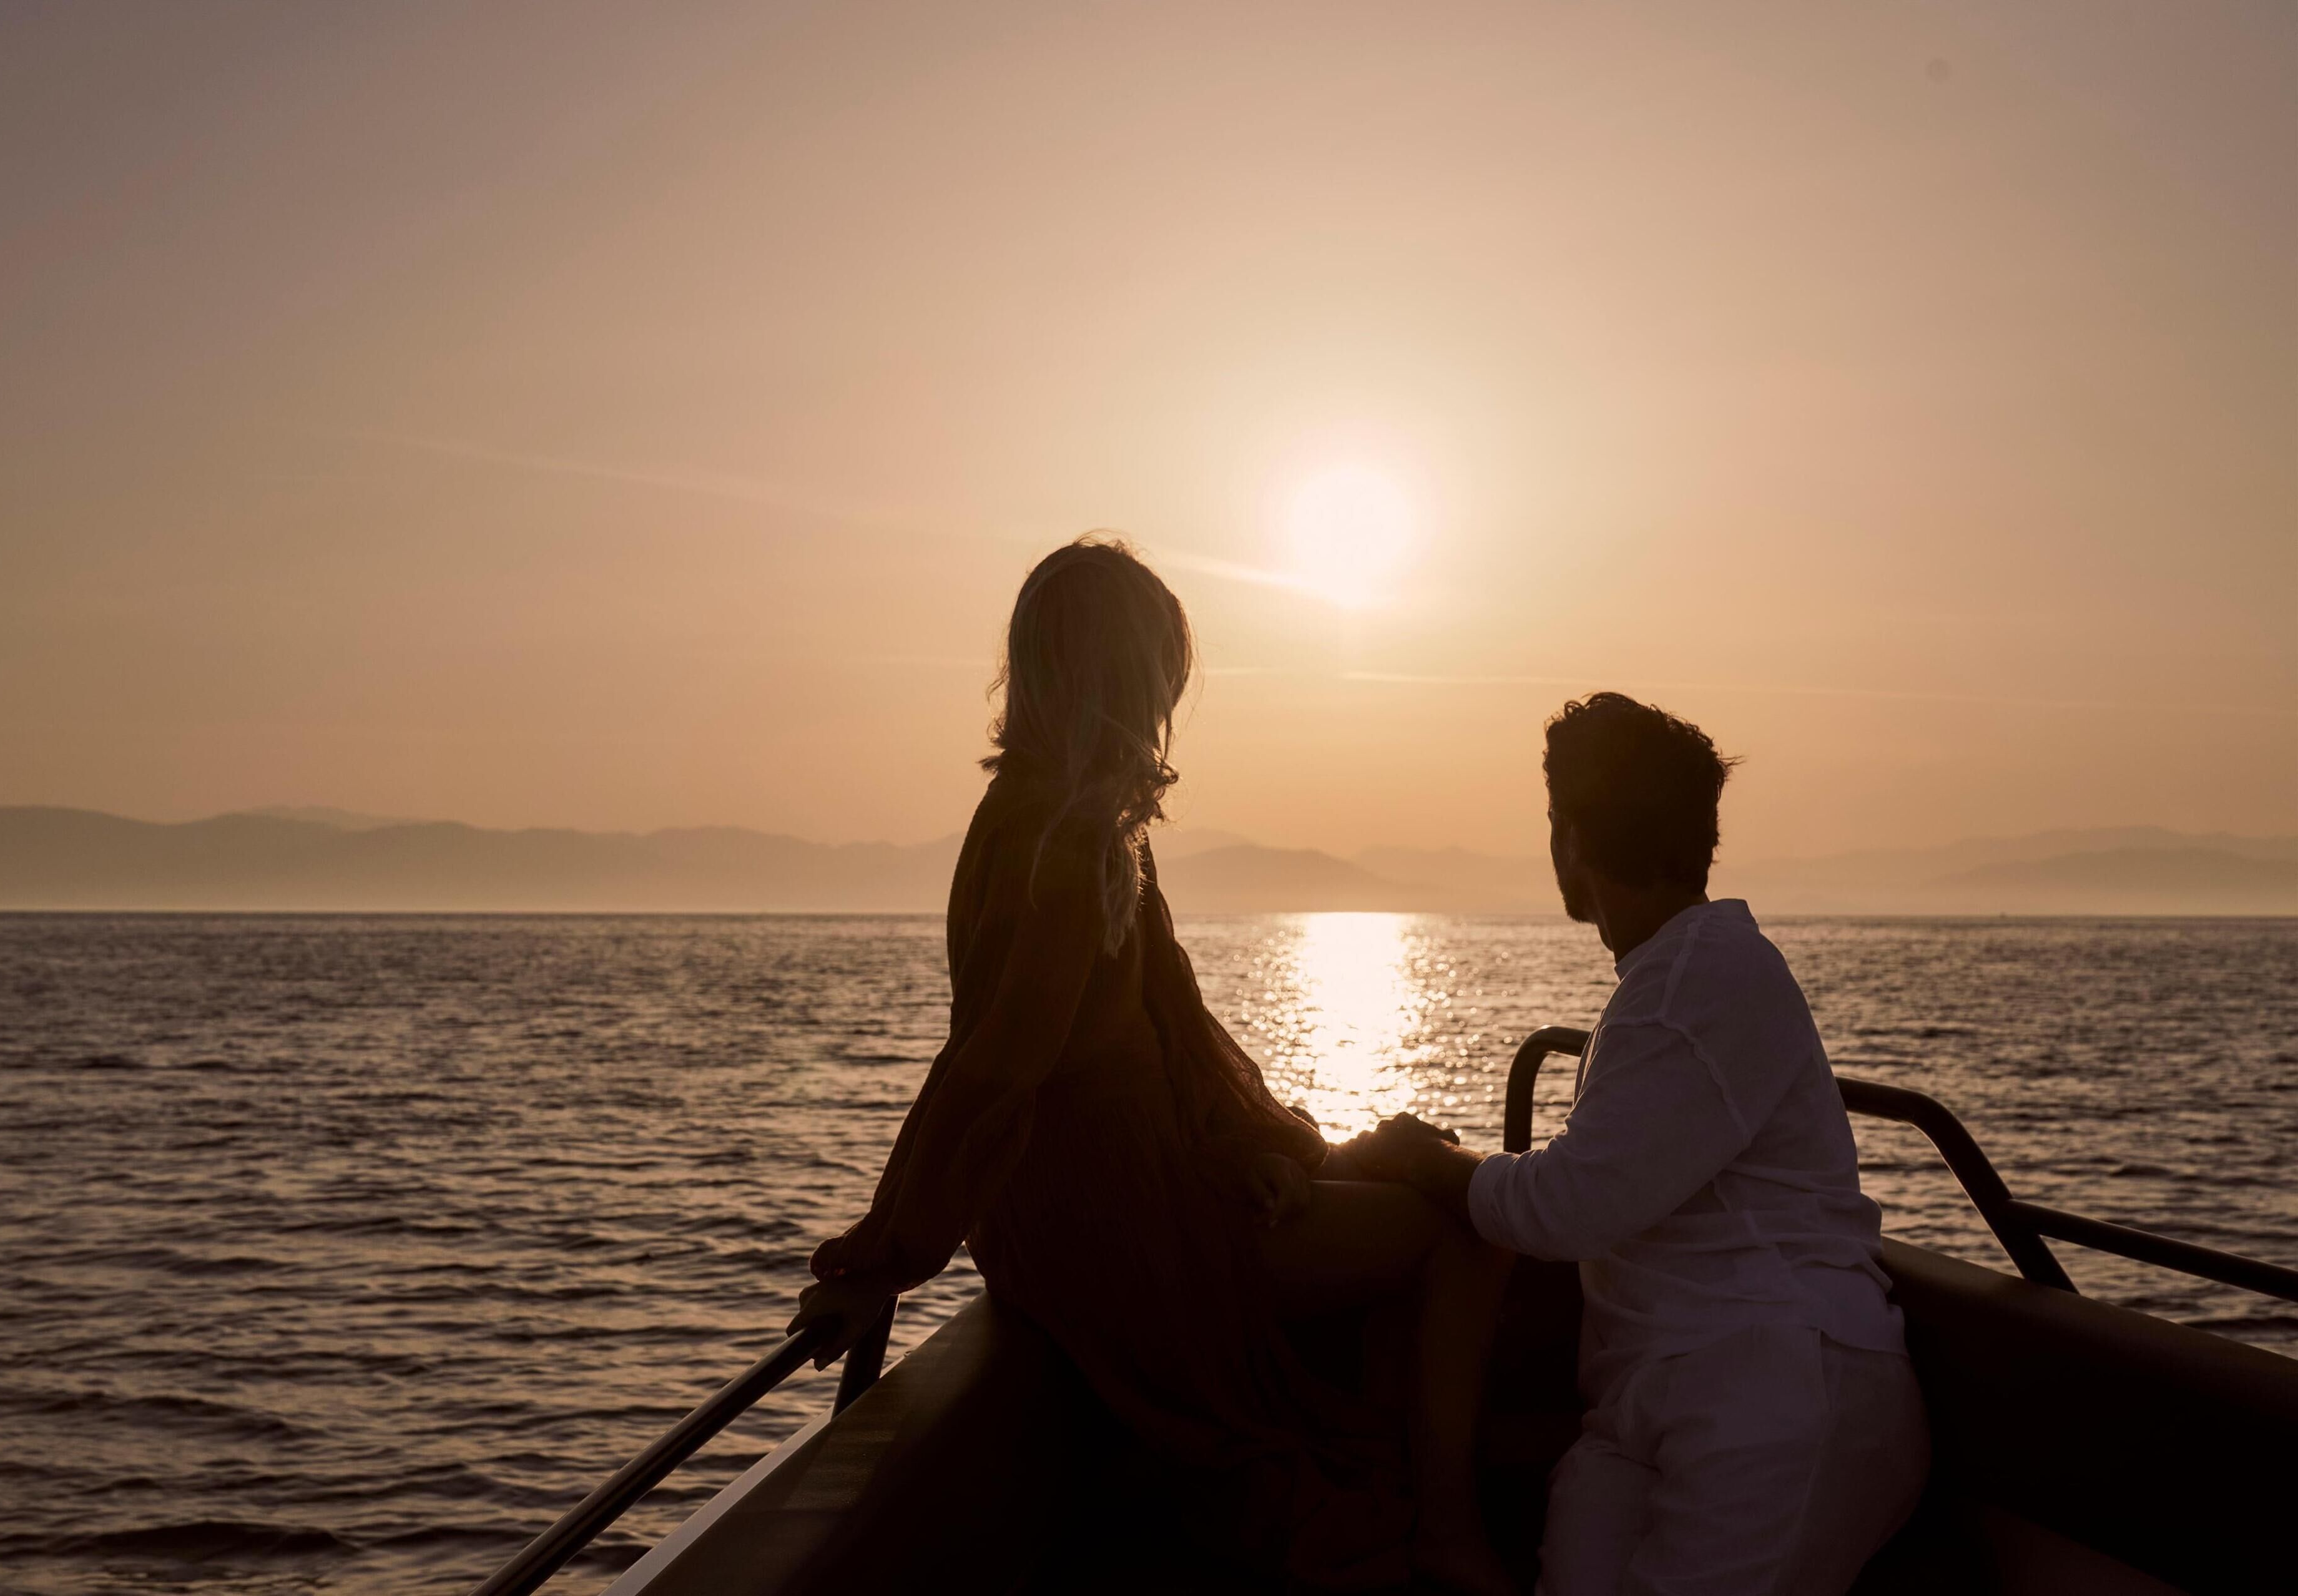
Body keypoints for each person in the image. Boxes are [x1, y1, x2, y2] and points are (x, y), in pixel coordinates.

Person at [793, 537, 1516, 1592]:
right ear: (1127, 680)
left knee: (1405, 1166)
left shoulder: (1067, 822)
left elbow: (1168, 1030)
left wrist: (1249, 1146)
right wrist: (890, 1251)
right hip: (1118, 1217)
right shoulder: (1062, 843)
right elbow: (993, 1066)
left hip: (1149, 1177)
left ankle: (1413, 1485)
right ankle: (1449, 1530)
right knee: (1469, 1235)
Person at [1352, 693, 1930, 1595]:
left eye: (1553, 821)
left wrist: (1418, 1159)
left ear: (1572, 838)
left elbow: (1572, 1201)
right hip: (1651, 1405)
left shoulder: (1700, 975)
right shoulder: (1676, 975)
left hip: (1766, 1392)